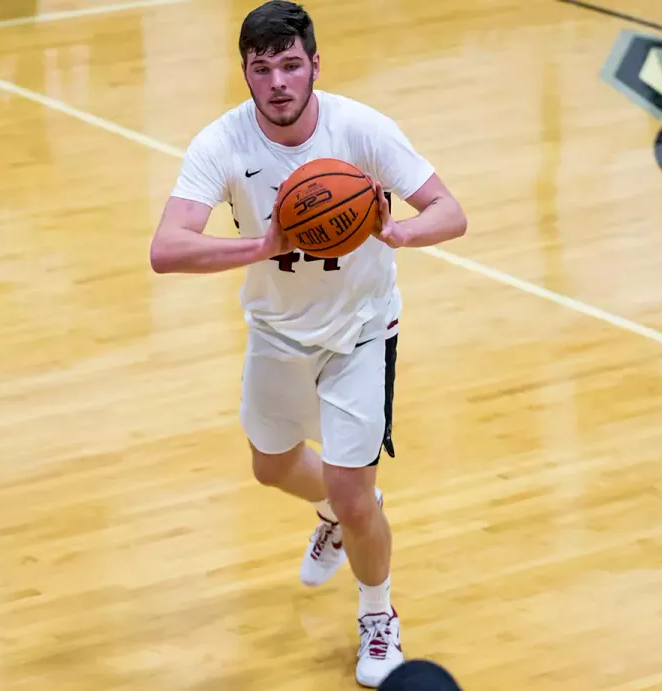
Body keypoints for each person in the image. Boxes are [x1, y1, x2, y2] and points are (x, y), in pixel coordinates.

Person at [148, 1, 467, 686]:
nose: (279, 82)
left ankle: (378, 613)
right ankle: (336, 511)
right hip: (275, 330)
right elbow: (165, 250)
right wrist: (260, 245)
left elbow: (450, 212)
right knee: (271, 466)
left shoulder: (362, 128)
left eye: (291, 65)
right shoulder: (223, 142)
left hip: (361, 330)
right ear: (246, 75)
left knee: (358, 496)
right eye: (262, 70)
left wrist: (397, 231)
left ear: (316, 64)